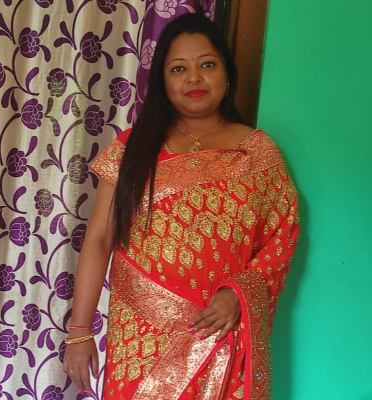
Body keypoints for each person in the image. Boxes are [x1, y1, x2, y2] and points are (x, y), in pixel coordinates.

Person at [63, 13, 299, 400]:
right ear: (162, 81)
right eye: (178, 68)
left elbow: (281, 238)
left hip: (220, 332)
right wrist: (79, 332)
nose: (193, 78)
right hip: (141, 338)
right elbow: (100, 239)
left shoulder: (258, 154)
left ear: (227, 73)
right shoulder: (132, 148)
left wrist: (237, 295)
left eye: (207, 64)